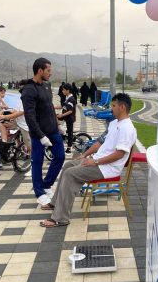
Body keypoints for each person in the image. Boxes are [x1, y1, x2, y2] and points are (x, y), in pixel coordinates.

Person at [40, 93, 137, 227]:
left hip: (107, 168)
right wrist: (84, 155)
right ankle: (56, 203)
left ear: (122, 107)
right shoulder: (114, 123)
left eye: (114, 106)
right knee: (69, 165)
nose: (111, 108)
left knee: (70, 174)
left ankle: (61, 218)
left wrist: (95, 161)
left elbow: (119, 154)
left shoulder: (127, 128)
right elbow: (100, 142)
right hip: (98, 162)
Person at [21, 57, 65, 207]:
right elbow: (29, 116)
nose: (50, 73)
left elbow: (50, 107)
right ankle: (39, 193)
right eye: (48, 70)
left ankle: (46, 185)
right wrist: (40, 136)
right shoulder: (29, 90)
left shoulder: (46, 86)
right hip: (39, 134)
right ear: (40, 70)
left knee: (60, 157)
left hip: (53, 131)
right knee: (37, 163)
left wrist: (57, 124)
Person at [57, 83, 76, 154]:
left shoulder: (71, 99)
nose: (62, 91)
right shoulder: (67, 98)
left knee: (70, 132)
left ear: (68, 90)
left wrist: (62, 115)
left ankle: (69, 148)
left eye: (64, 90)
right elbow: (62, 106)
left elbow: (70, 111)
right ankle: (64, 134)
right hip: (66, 117)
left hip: (70, 118)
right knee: (56, 121)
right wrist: (52, 106)